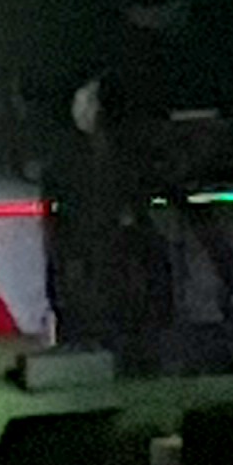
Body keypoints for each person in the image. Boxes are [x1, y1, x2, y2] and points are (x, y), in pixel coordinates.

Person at [44, 74, 162, 362]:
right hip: (87, 234)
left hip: (108, 236)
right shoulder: (73, 154)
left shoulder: (119, 153)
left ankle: (120, 343)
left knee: (112, 286)